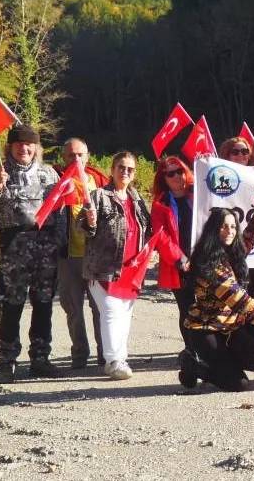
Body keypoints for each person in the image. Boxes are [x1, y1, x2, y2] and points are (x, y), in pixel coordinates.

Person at [0, 125, 65, 383]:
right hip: (14, 249)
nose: (23, 148)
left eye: (29, 144)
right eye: (18, 144)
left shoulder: (49, 175)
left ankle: (40, 358)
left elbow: (60, 213)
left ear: (36, 147)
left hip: (45, 248)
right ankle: (7, 361)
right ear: (9, 146)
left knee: (44, 303)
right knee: (12, 304)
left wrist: (61, 243)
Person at [180, 201, 254, 392]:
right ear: (214, 230)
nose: (230, 231)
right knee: (239, 385)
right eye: (224, 226)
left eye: (233, 226)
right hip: (206, 330)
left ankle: (223, 366)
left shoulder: (230, 253)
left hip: (230, 327)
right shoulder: (208, 263)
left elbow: (246, 241)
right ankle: (195, 366)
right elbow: (240, 300)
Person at [79, 151, 152, 380]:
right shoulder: (98, 196)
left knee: (124, 315)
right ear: (112, 169)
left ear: (134, 173)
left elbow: (147, 228)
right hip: (103, 268)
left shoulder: (137, 199)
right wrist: (89, 221)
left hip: (132, 269)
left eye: (130, 169)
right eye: (121, 167)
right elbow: (83, 227)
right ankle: (113, 359)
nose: (125, 172)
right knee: (111, 312)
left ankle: (119, 358)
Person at [55, 138, 109, 369]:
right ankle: (79, 354)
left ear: (88, 156)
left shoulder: (99, 181)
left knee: (100, 309)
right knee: (73, 309)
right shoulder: (56, 180)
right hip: (67, 257)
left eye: (80, 155)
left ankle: (104, 353)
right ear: (64, 158)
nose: (76, 159)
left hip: (95, 257)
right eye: (71, 155)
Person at [150, 156, 197, 358]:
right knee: (186, 308)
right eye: (171, 173)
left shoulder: (199, 194)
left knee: (208, 306)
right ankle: (191, 349)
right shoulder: (161, 203)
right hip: (179, 265)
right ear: (164, 178)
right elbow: (160, 235)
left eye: (179, 170)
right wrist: (180, 258)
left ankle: (210, 348)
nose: (177, 176)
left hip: (204, 260)